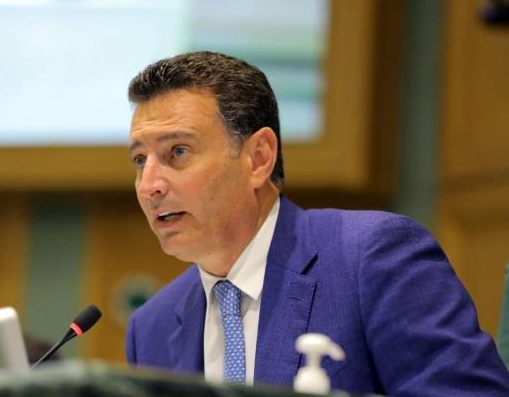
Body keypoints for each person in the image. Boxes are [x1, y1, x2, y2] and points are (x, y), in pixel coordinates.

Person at [124, 51, 509, 396]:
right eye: (141, 160)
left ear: (259, 158)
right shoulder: (151, 327)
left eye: (178, 152)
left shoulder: (371, 258)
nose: (149, 185)